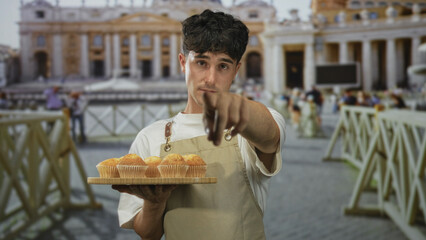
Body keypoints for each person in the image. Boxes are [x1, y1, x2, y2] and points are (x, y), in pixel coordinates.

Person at [112, 10, 285, 240]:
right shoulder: (150, 137)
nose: (210, 78)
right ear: (183, 63)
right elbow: (148, 234)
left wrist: (230, 105)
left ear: (236, 71)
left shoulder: (253, 126)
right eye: (201, 62)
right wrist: (154, 203)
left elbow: (269, 136)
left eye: (223, 66)